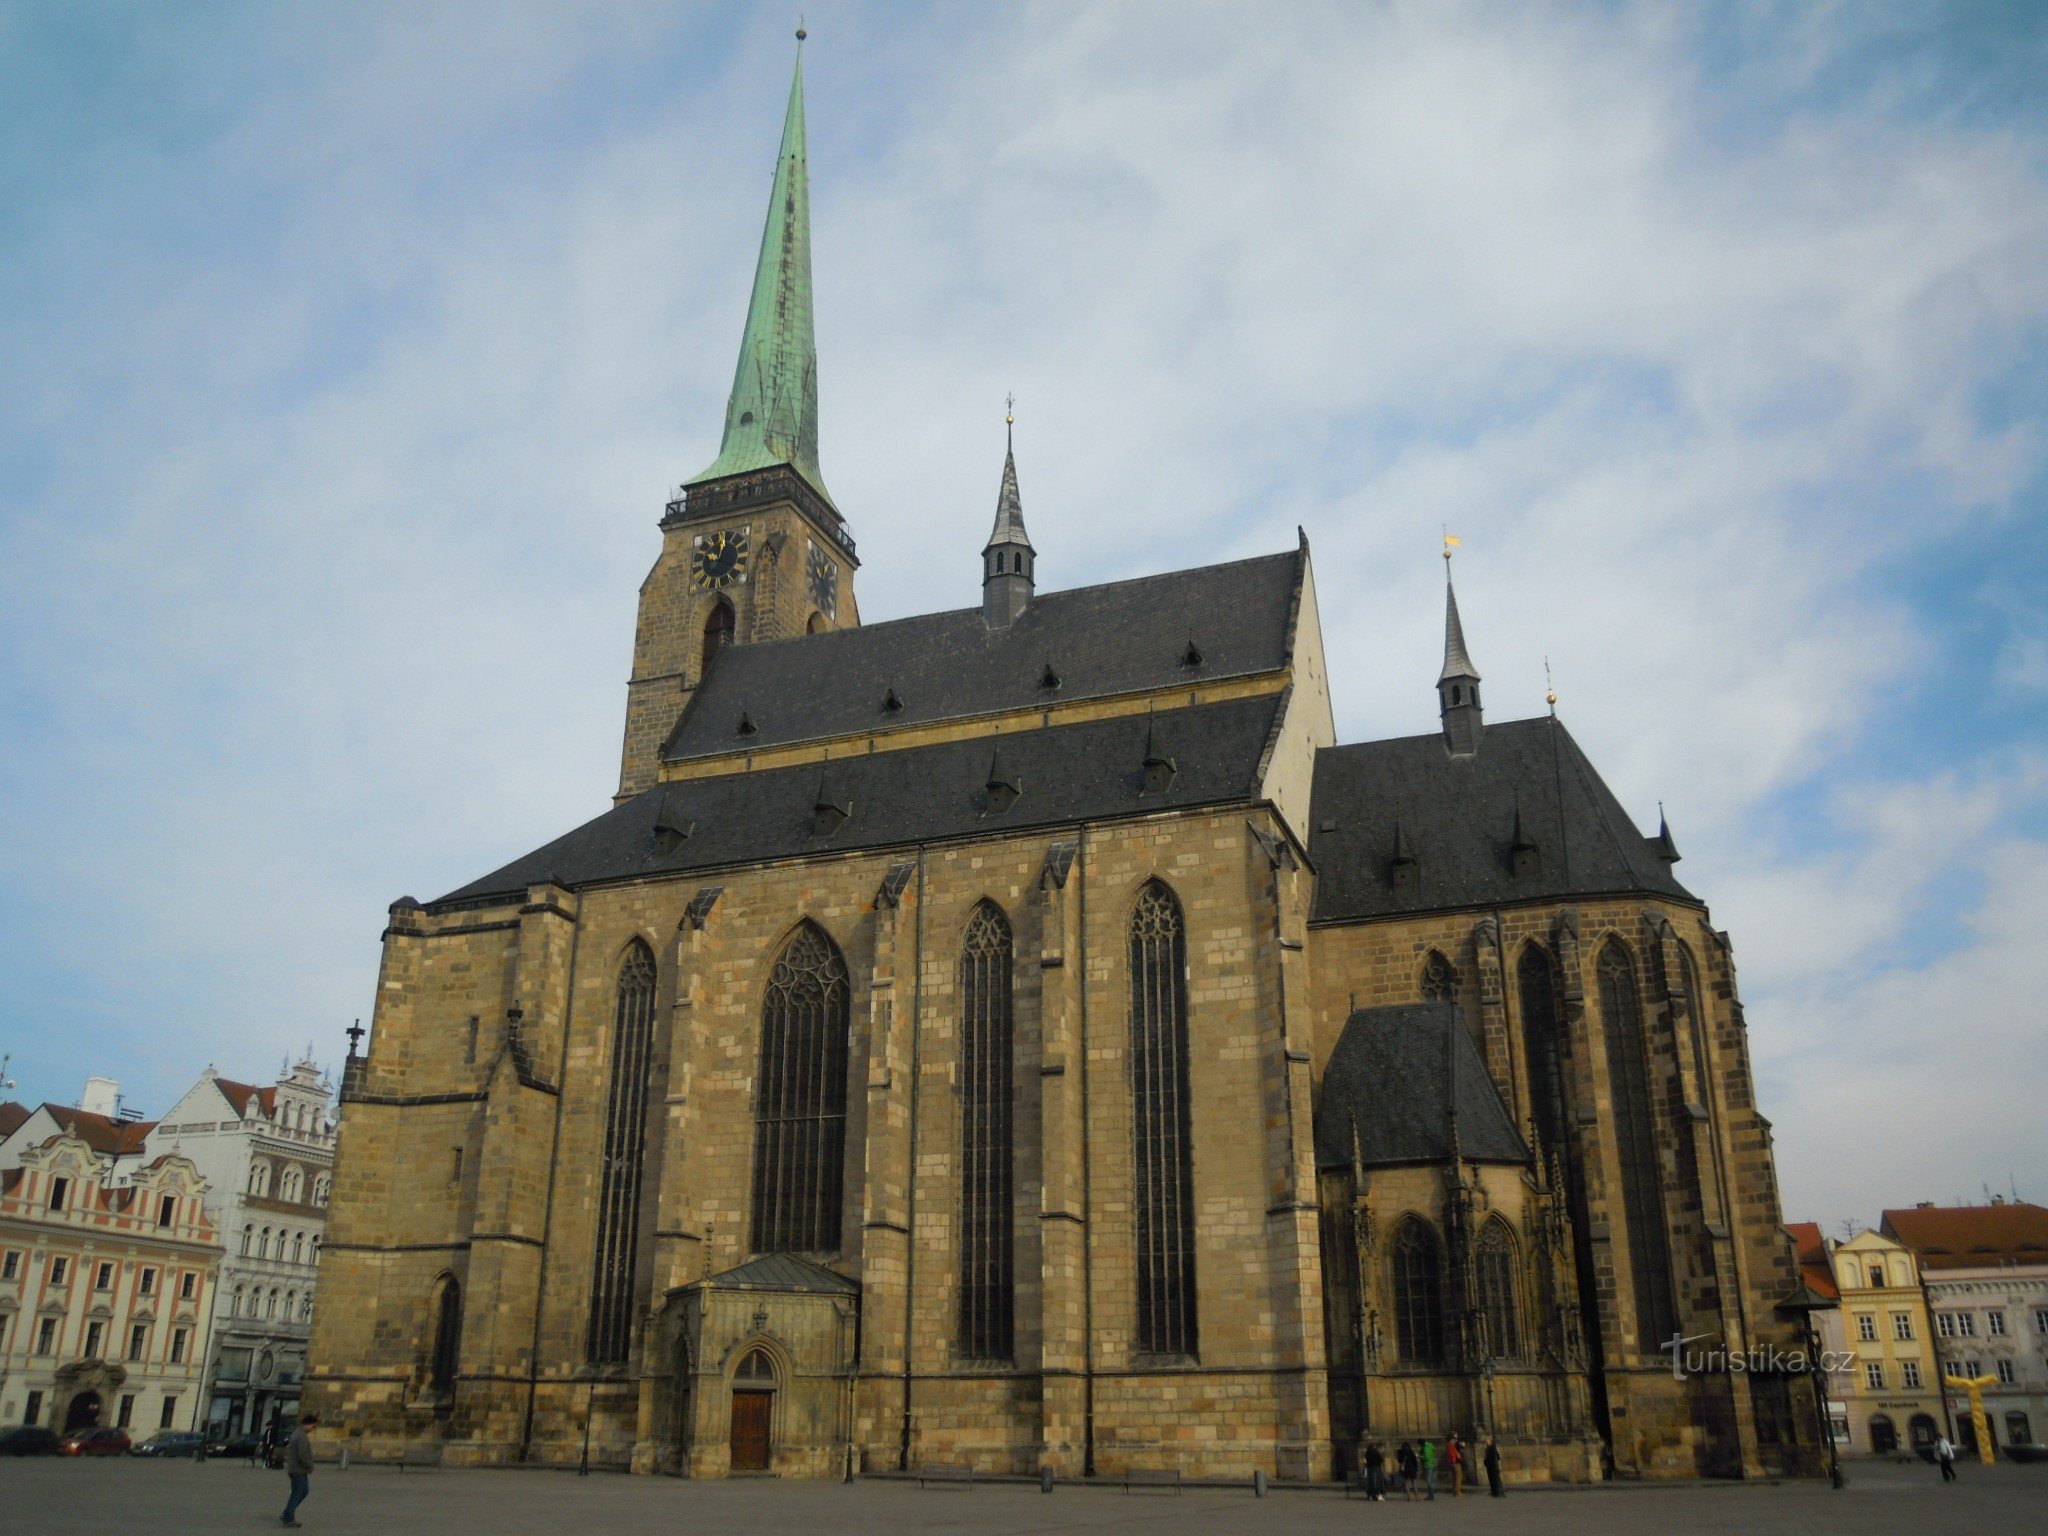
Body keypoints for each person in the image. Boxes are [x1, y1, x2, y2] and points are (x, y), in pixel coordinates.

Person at [279, 1413, 319, 1528]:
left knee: (302, 1491)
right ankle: (288, 1517)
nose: (313, 1429)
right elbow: (303, 1454)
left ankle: (287, 1513)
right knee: (298, 1493)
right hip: (298, 1469)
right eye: (313, 1426)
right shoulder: (301, 1436)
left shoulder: (297, 1433)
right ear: (308, 1424)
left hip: (296, 1468)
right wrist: (310, 1465)